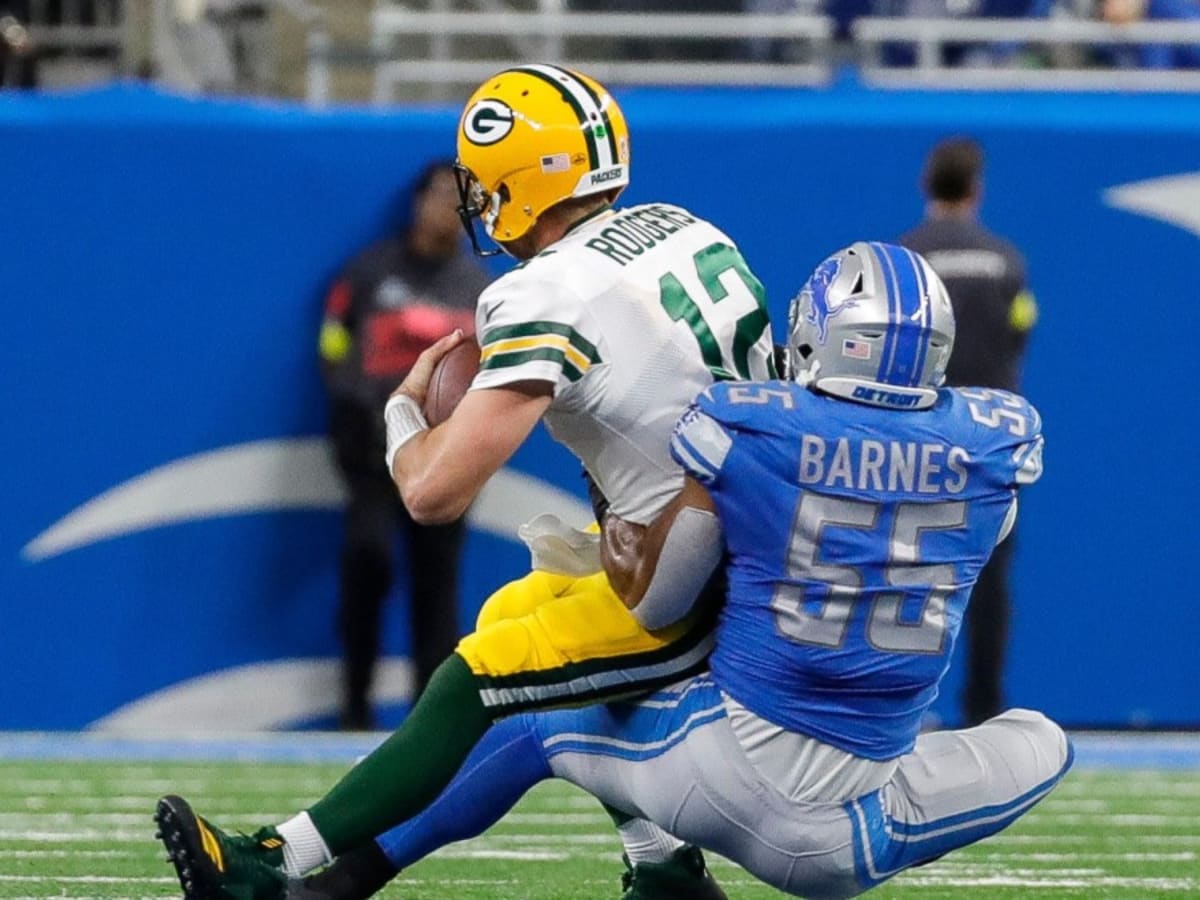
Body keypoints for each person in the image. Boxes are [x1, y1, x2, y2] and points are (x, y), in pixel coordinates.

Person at [280, 241, 1071, 899]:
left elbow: (660, 599)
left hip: (730, 774)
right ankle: (668, 881)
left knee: (549, 710)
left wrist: (620, 537)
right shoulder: (994, 446)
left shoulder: (751, 430)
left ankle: (337, 878)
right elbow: (960, 518)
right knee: (1043, 740)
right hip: (863, 822)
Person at [154, 63, 775, 900]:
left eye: (484, 185)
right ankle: (662, 862)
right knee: (519, 615)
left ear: (520, 182)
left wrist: (404, 418)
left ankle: (277, 860)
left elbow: (434, 493)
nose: (476, 205)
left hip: (691, 574)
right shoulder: (685, 229)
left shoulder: (545, 290)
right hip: (746, 529)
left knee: (483, 673)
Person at [318, 160, 492, 730]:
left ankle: (428, 720)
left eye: (461, 198)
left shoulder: (481, 292)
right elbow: (334, 341)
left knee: (437, 585)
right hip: (374, 452)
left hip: (447, 452)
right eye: (441, 193)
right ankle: (354, 705)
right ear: (417, 200)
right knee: (368, 560)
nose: (449, 207)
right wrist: (358, 412)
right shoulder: (370, 272)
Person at [898, 136, 1037, 727]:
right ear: (976, 190)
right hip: (988, 444)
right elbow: (1020, 333)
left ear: (927, 187)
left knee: (899, 576)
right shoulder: (1006, 260)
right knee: (988, 581)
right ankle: (983, 713)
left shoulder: (904, 258)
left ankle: (898, 708)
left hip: (914, 440)